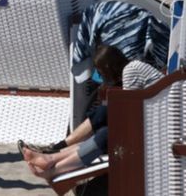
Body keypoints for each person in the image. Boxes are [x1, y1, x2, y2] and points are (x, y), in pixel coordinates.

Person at [19, 44, 135, 180]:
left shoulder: (131, 71)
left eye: (102, 73)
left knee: (106, 128)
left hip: (147, 128)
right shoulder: (128, 72)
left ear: (109, 67)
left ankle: (54, 160)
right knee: (105, 125)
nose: (103, 77)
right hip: (140, 122)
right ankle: (51, 156)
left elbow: (134, 105)